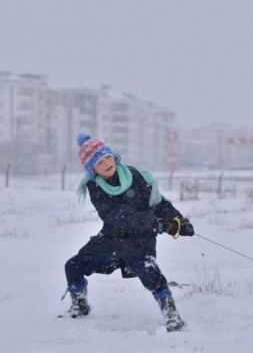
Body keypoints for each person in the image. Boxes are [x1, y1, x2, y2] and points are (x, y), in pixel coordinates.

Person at [62, 133, 195, 332]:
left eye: (107, 157)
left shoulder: (137, 176)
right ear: (92, 170)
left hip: (139, 240)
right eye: (99, 162)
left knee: (151, 274)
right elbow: (118, 216)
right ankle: (79, 305)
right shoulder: (94, 186)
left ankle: (171, 314)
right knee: (73, 266)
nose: (106, 163)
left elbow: (158, 202)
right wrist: (156, 223)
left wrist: (177, 220)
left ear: (113, 156)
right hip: (111, 237)